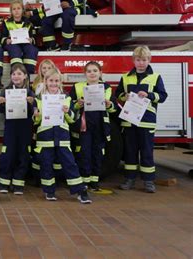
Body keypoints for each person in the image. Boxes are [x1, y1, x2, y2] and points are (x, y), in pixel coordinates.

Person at [33, 68, 92, 204]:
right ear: (45, 82)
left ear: (60, 82)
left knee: (70, 163)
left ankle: (80, 191)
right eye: (51, 80)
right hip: (45, 139)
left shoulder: (66, 98)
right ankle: (49, 191)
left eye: (56, 81)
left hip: (62, 138)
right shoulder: (39, 99)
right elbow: (35, 121)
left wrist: (67, 112)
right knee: (46, 165)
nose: (54, 83)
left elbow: (72, 119)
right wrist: (36, 115)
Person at [115, 46, 168, 193]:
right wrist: (123, 96)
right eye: (138, 60)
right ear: (133, 60)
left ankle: (149, 181)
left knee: (146, 152)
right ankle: (129, 179)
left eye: (144, 60)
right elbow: (118, 94)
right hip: (129, 120)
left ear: (149, 60)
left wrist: (150, 95)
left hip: (146, 121)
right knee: (130, 152)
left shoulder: (155, 77)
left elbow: (163, 96)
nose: (141, 63)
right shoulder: (126, 77)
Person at [69, 61, 117, 191]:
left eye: (95, 71)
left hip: (100, 126)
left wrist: (109, 105)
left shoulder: (106, 87)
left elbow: (114, 109)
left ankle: (94, 181)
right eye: (89, 71)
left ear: (100, 73)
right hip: (85, 126)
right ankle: (84, 180)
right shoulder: (78, 87)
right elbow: (70, 106)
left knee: (98, 153)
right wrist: (78, 104)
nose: (92, 73)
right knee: (84, 153)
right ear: (85, 74)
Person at [0, 63, 35, 195]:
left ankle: (18, 182)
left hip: (25, 128)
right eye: (13, 74)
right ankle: (4, 182)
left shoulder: (30, 92)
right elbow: (0, 111)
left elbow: (34, 111)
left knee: (23, 154)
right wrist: (0, 103)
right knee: (8, 154)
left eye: (19, 73)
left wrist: (32, 104)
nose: (16, 76)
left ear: (25, 76)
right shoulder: (6, 91)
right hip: (11, 128)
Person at [30, 59, 61, 184]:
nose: (46, 70)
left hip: (55, 125)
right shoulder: (36, 84)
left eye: (49, 68)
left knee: (55, 154)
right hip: (42, 124)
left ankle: (55, 177)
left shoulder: (59, 90)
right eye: (44, 68)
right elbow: (37, 101)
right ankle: (37, 177)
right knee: (39, 152)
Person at [1, 0, 38, 75]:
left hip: (26, 44)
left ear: (22, 10)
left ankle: (28, 75)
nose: (16, 11)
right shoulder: (6, 22)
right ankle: (16, 74)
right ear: (11, 11)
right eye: (14, 9)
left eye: (18, 8)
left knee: (31, 49)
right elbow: (2, 37)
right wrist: (6, 40)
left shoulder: (29, 23)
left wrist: (31, 40)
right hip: (12, 44)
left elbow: (34, 38)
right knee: (15, 50)